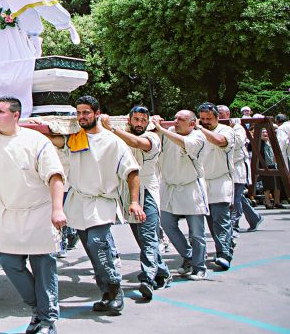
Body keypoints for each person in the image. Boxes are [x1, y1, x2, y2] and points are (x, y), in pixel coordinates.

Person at [0, 96, 66, 334]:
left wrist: (57, 209)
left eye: (1, 112)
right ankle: (37, 308)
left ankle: (47, 320)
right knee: (9, 261)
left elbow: (55, 176)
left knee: (44, 267)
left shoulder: (36, 141)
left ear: (16, 115)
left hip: (39, 212)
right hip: (8, 214)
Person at [57, 96, 143, 316]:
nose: (81, 117)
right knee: (91, 248)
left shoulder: (113, 141)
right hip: (79, 201)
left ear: (97, 113)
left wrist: (134, 202)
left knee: (98, 243)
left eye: (86, 112)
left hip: (101, 201)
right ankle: (106, 293)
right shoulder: (75, 138)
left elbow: (132, 171)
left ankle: (116, 290)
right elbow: (52, 140)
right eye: (78, 113)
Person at [101, 107, 170, 299]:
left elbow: (138, 143)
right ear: (129, 120)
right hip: (130, 193)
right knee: (142, 238)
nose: (139, 123)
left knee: (148, 237)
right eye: (136, 119)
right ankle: (162, 272)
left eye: (143, 120)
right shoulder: (123, 135)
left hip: (147, 191)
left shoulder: (152, 137)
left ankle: (147, 278)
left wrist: (112, 129)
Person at [153, 110, 210, 280]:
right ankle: (189, 256)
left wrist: (162, 130)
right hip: (170, 187)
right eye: (175, 118)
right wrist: (155, 124)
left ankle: (200, 267)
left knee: (196, 233)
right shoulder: (167, 133)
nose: (176, 122)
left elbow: (185, 143)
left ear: (192, 123)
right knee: (166, 224)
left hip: (191, 187)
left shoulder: (198, 136)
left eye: (181, 120)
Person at [195, 103, 236, 270]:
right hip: (202, 183)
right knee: (211, 222)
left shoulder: (226, 131)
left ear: (217, 118)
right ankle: (227, 244)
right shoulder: (196, 133)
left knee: (220, 220)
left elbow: (220, 141)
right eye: (202, 119)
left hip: (220, 181)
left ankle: (224, 254)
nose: (205, 122)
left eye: (208, 119)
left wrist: (200, 128)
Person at [218, 105, 262, 233]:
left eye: (221, 113)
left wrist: (229, 131)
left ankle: (234, 224)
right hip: (223, 168)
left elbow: (236, 144)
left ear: (227, 114)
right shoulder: (217, 128)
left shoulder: (237, 128)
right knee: (237, 196)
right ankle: (254, 217)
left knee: (235, 197)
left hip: (237, 167)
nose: (219, 116)